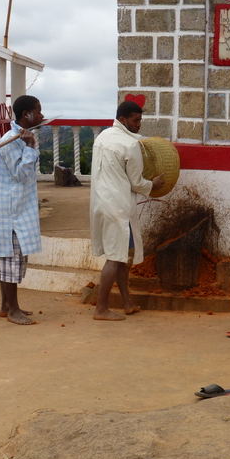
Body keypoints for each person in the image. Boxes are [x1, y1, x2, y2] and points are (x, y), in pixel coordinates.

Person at [90, 100, 164, 321]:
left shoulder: (102, 137)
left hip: (102, 203)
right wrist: (154, 184)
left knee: (120, 255)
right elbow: (136, 182)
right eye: (136, 120)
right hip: (118, 206)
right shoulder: (131, 145)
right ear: (123, 120)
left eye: (140, 119)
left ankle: (127, 302)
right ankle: (101, 309)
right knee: (115, 257)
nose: (139, 124)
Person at [0, 95, 43, 325]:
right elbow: (21, 175)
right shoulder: (10, 140)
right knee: (11, 260)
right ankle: (13, 311)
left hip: (19, 206)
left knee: (13, 259)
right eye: (38, 111)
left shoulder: (21, 138)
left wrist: (29, 143)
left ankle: (6, 306)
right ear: (26, 115)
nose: (42, 115)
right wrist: (31, 146)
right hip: (11, 210)